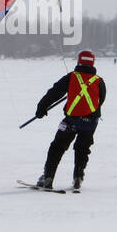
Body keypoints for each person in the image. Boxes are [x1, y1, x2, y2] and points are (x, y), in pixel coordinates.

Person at [34, 50, 106, 191]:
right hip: (90, 124)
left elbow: (54, 92)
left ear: (79, 61)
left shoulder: (71, 77)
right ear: (93, 62)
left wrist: (42, 107)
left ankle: (48, 177)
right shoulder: (99, 81)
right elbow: (101, 100)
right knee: (82, 149)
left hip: (71, 121)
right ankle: (78, 177)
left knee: (57, 148)